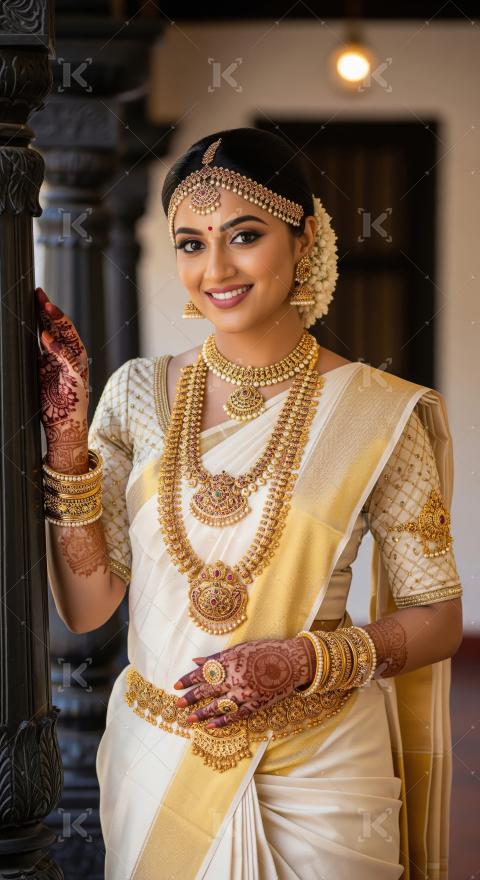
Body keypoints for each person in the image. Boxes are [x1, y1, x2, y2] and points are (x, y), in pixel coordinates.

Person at [37, 127, 463, 880]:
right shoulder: (136, 394)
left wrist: (303, 660)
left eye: (244, 235)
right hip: (160, 759)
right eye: (191, 244)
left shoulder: (377, 414)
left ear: (304, 243)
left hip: (323, 770)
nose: (217, 268)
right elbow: (87, 607)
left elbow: (437, 619)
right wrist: (68, 440)